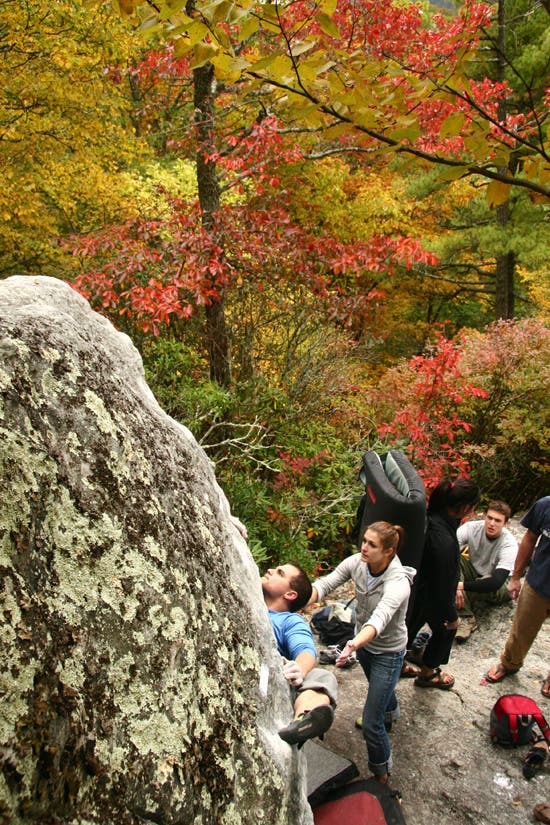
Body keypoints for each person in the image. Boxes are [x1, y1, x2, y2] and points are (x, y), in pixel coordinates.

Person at [309, 521, 414, 784]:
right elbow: (326, 584)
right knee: (382, 691)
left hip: (388, 652)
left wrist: (353, 644)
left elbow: (380, 619)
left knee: (370, 723)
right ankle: (391, 711)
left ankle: (382, 773)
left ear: (388, 551)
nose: (364, 547)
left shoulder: (398, 582)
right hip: (365, 646)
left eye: (372, 544)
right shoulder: (358, 562)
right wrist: (296, 597)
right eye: (364, 541)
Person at [405, 477, 480, 689]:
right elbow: (441, 586)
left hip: (415, 589)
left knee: (409, 626)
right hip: (431, 594)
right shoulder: (444, 542)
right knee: (446, 629)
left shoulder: (432, 518)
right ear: (464, 508)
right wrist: (452, 616)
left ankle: (398, 661)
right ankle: (428, 673)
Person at [261, 562, 337, 747]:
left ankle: (302, 721)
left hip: (268, 681)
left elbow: (306, 650)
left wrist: (299, 670)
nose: (270, 570)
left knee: (323, 677)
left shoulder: (290, 621)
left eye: (280, 573)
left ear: (290, 594)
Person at [486, 495, 550, 698]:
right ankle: (509, 664)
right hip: (538, 583)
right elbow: (529, 538)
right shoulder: (545, 505)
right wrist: (515, 577)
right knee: (521, 629)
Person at [454, 500, 518, 642]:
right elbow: (448, 553)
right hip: (474, 571)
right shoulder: (471, 528)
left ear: (505, 524)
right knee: (453, 559)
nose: (492, 523)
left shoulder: (509, 544)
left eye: (497, 520)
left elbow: (496, 582)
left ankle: (465, 617)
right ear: (484, 516)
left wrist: (459, 586)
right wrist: (454, 583)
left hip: (500, 583)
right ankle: (466, 613)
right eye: (489, 518)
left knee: (484, 582)